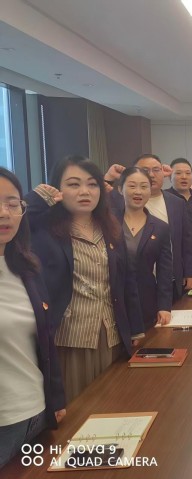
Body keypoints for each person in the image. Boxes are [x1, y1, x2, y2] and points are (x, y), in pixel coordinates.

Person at [25, 156, 144, 401]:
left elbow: (127, 281)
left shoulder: (110, 227)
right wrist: (38, 200)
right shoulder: (43, 231)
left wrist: (136, 329)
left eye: (92, 184)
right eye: (73, 184)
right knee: (79, 409)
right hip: (71, 340)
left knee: (114, 403)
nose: (84, 192)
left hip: (111, 335)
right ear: (57, 188)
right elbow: (15, 220)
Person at [0, 168, 66, 469]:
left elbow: (43, 339)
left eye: (12, 204)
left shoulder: (26, 267)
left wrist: (55, 399)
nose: (4, 213)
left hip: (34, 415)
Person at [105, 154, 192, 299]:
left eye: (156, 170)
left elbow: (186, 239)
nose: (151, 175)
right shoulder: (122, 201)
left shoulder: (176, 202)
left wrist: (189, 272)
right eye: (145, 170)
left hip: (169, 278)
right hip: (130, 284)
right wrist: (108, 178)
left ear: (164, 173)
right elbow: (100, 198)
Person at [117, 167, 173, 330]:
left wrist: (164, 306)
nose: (138, 192)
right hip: (114, 301)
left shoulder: (160, 227)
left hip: (146, 301)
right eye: (132, 186)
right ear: (120, 189)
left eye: (144, 186)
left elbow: (164, 270)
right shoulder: (108, 222)